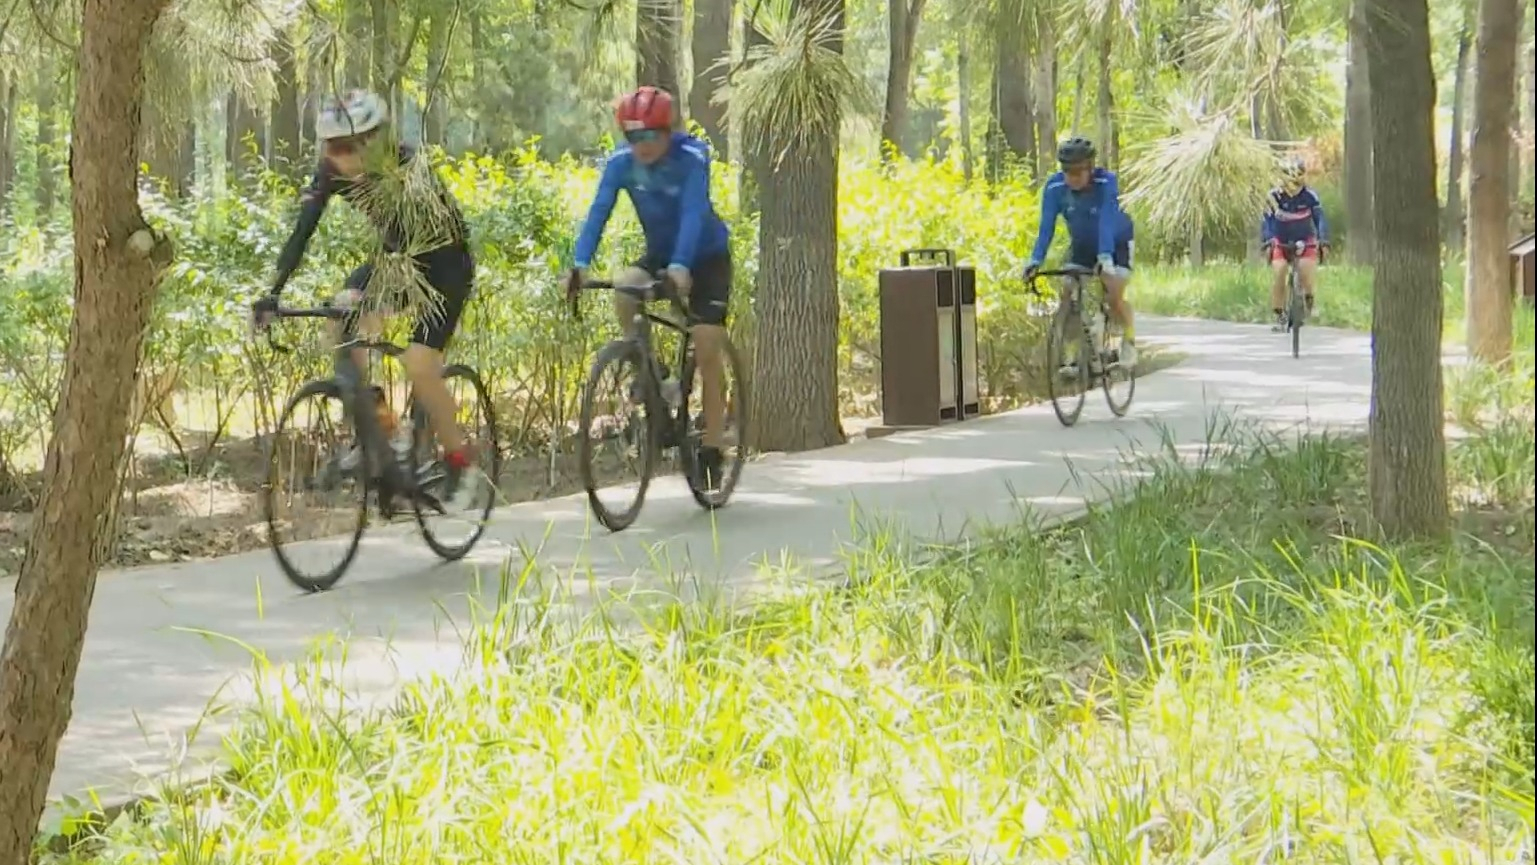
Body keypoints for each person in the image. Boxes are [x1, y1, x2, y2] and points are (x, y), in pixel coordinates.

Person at [252, 89, 480, 506]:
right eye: (332, 148)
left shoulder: (408, 166)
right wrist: (272, 292)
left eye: (349, 147)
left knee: (419, 362)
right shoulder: (331, 171)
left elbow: (425, 242)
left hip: (445, 264)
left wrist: (370, 294)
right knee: (340, 317)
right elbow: (302, 231)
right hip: (396, 260)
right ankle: (377, 424)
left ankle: (460, 461)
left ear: (376, 140)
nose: (341, 158)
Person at [566, 86, 734, 490]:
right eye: (633, 136)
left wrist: (681, 266)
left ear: (668, 130)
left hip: (706, 256)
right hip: (660, 254)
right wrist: (578, 264)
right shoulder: (620, 165)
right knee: (624, 287)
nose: (642, 145)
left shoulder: (692, 158)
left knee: (707, 347)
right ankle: (653, 374)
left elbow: (694, 211)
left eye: (650, 135)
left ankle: (712, 447)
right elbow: (598, 212)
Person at [1023, 137, 1139, 368]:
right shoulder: (1055, 188)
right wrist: (1035, 260)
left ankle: (1129, 340)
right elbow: (1046, 228)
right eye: (1067, 171)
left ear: (1090, 168)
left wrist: (1105, 257)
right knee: (1067, 294)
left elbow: (1106, 219)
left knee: (1113, 296)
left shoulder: (1107, 182)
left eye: (1078, 172)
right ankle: (1073, 355)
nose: (1072, 178)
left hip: (1116, 243)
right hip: (1082, 245)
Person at [1261, 156, 1329, 331]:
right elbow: (1266, 222)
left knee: (1306, 269)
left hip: (1305, 239)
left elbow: (1320, 219)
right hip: (1280, 240)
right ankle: (1279, 314)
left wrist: (1323, 241)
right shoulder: (1273, 196)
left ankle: (1309, 300)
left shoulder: (1309, 196)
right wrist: (1268, 242)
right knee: (1280, 271)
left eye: (1298, 176)